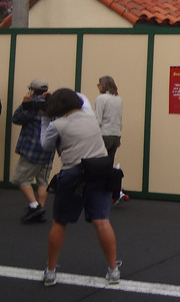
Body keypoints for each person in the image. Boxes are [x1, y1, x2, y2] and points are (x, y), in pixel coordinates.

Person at [40, 88, 121, 287]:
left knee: (60, 222)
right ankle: (113, 271)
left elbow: (46, 146)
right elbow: (82, 98)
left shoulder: (57, 125)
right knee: (102, 222)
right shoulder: (90, 117)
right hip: (101, 171)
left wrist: (44, 119)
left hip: (74, 176)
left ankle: (50, 272)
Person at [11, 79, 56, 223]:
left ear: (32, 90)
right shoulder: (52, 104)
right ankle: (39, 209)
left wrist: (25, 104)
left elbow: (16, 119)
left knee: (21, 179)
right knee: (43, 181)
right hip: (48, 150)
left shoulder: (32, 104)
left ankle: (35, 206)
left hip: (32, 150)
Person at [95, 75, 128, 204]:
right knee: (108, 166)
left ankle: (98, 195)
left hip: (103, 135)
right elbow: (119, 120)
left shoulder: (101, 98)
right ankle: (111, 193)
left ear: (103, 85)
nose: (98, 86)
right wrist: (118, 137)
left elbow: (98, 120)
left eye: (99, 84)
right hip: (115, 136)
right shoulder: (118, 99)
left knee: (97, 166)